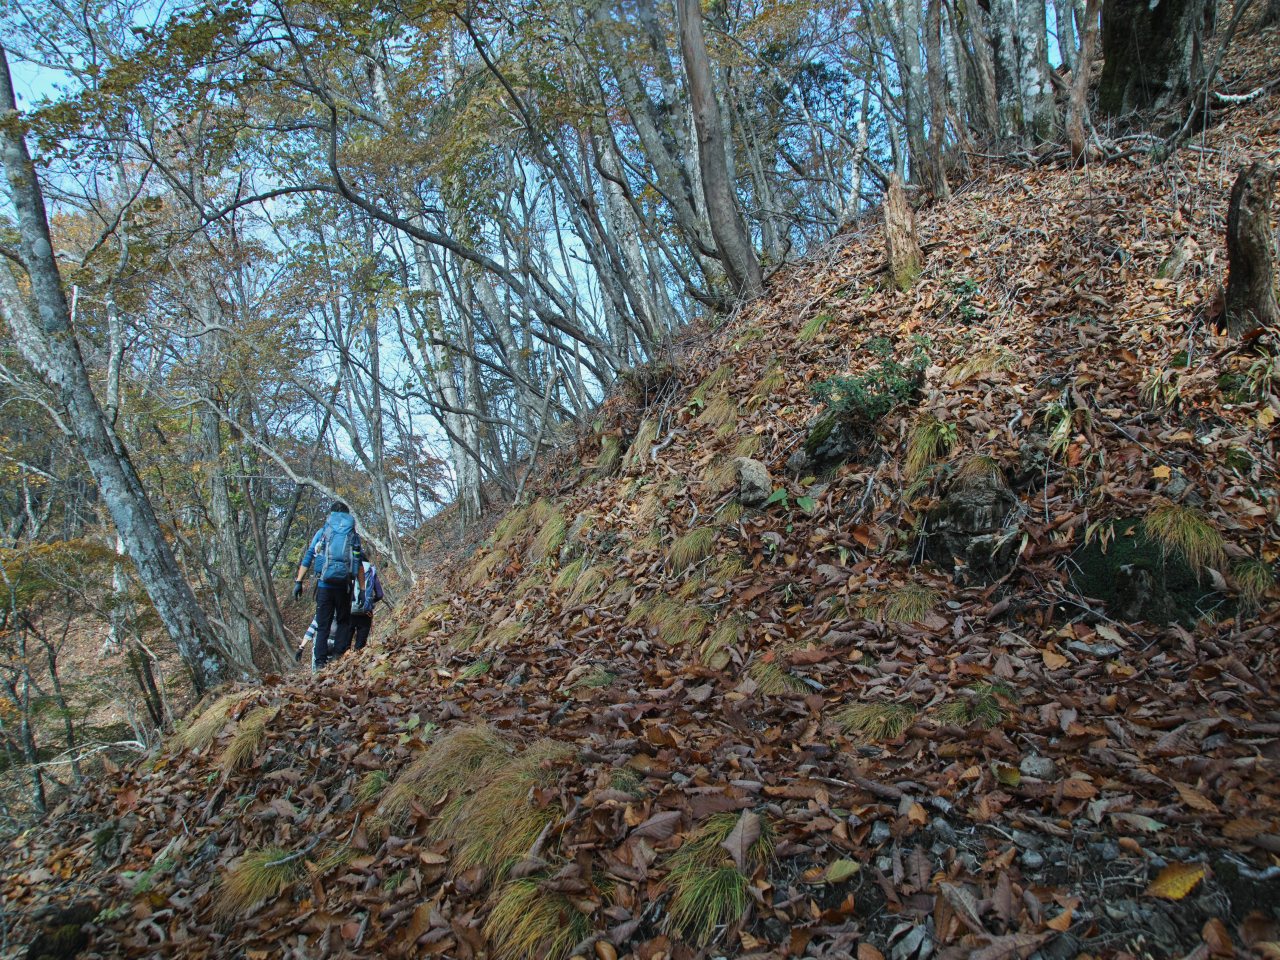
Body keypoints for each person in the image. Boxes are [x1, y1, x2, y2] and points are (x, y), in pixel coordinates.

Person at [293, 501, 365, 671]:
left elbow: (309, 555)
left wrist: (298, 581)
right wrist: (362, 589)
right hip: (344, 586)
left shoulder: (323, 532)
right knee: (343, 621)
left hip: (324, 585)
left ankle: (319, 664)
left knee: (322, 623)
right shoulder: (352, 535)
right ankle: (338, 659)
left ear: (332, 514)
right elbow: (359, 562)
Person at [331, 551, 384, 659]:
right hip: (366, 612)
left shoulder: (349, 569)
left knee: (345, 645)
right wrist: (369, 601)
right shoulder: (372, 570)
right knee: (360, 647)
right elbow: (380, 594)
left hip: (349, 611)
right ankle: (357, 665)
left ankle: (343, 667)